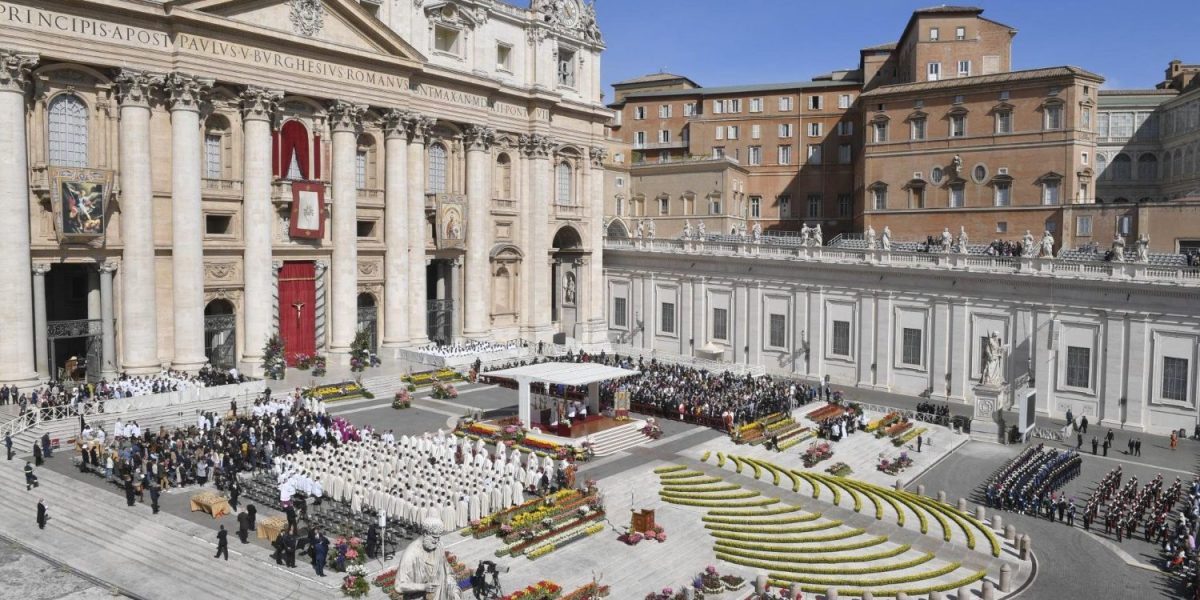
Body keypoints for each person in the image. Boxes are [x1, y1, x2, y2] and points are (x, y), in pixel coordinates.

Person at [394, 518, 461, 600]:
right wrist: (423, 587)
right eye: (434, 537)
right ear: (425, 533)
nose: (437, 541)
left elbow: (447, 571)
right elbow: (398, 585)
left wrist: (453, 591)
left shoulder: (439, 546)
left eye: (438, 537)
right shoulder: (411, 553)